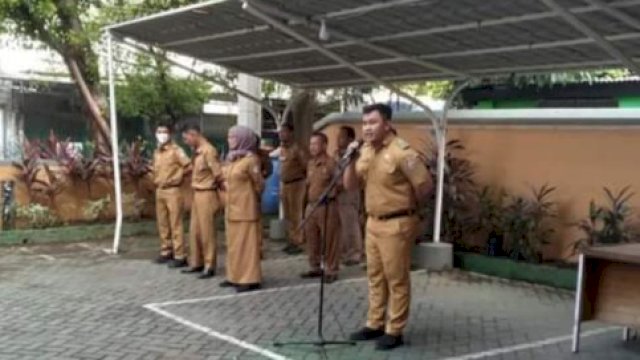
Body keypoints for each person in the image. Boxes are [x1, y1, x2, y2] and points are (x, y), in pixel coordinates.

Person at [343, 104, 431, 351]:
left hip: (397, 223)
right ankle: (374, 323)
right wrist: (349, 161)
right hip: (372, 222)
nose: (367, 128)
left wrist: (410, 214)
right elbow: (350, 186)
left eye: (372, 122)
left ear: (387, 124)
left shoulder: (402, 152)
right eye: (365, 123)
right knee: (375, 276)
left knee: (396, 279)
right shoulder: (366, 152)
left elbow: (424, 186)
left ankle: (395, 329)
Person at [220, 125, 264, 293]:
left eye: (234, 137)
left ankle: (249, 278)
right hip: (231, 208)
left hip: (245, 210)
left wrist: (251, 197)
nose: (230, 140)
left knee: (247, 247)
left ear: (243, 139)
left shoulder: (251, 160)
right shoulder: (233, 159)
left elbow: (259, 184)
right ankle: (234, 276)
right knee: (233, 246)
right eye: (229, 137)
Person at [181, 123, 222, 279]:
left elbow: (217, 174)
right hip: (197, 194)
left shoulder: (209, 151)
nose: (186, 142)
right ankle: (196, 262)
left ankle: (209, 265)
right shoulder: (197, 152)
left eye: (187, 138)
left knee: (207, 232)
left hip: (207, 193)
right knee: (194, 231)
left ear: (194, 134)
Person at [300, 132, 341, 284]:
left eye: (316, 144)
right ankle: (314, 267)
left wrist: (330, 194)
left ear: (324, 145)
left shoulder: (331, 163)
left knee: (330, 238)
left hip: (327, 206)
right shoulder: (310, 164)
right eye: (311, 144)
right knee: (312, 238)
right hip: (311, 206)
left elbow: (340, 183)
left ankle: (331, 269)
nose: (312, 147)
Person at [151, 122, 191, 267]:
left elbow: (188, 165)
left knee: (175, 223)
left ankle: (180, 255)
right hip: (160, 190)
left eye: (164, 132)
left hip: (173, 190)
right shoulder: (156, 152)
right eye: (159, 131)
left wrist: (178, 177)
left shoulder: (176, 150)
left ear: (169, 134)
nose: (162, 134)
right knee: (162, 223)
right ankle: (166, 251)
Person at [335, 125, 364, 266]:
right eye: (337, 137)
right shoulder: (337, 155)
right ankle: (343, 252)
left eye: (341, 137)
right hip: (336, 194)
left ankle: (355, 254)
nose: (338, 140)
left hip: (349, 193)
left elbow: (356, 174)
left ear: (350, 139)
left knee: (350, 224)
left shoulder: (356, 156)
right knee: (340, 225)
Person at [278, 123, 308, 255]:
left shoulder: (298, 149)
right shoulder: (283, 149)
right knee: (288, 215)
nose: (281, 134)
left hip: (297, 184)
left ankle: (298, 241)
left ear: (291, 133)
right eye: (281, 132)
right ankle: (291, 240)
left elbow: (306, 166)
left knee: (297, 214)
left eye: (284, 132)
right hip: (285, 185)